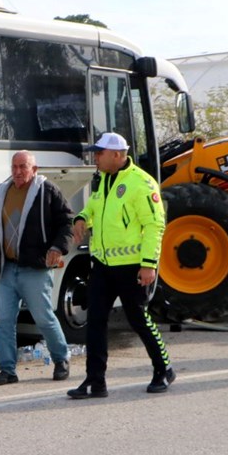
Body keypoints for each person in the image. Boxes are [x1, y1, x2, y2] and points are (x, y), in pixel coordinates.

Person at [67, 132, 174, 398]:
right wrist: (81, 218)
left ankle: (163, 369)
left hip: (132, 265)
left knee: (139, 319)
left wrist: (148, 264)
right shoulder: (102, 180)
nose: (96, 158)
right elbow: (94, 208)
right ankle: (95, 381)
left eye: (99, 153)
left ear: (117, 155)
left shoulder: (142, 183)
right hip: (102, 264)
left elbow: (154, 225)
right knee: (95, 321)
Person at [0, 150, 73, 386]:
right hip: (7, 269)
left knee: (43, 318)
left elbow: (66, 222)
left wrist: (57, 247)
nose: (18, 172)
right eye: (14, 167)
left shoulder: (47, 191)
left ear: (35, 169)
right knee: (4, 322)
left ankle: (62, 359)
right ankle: (7, 370)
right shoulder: (1, 193)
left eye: (23, 166)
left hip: (35, 268)